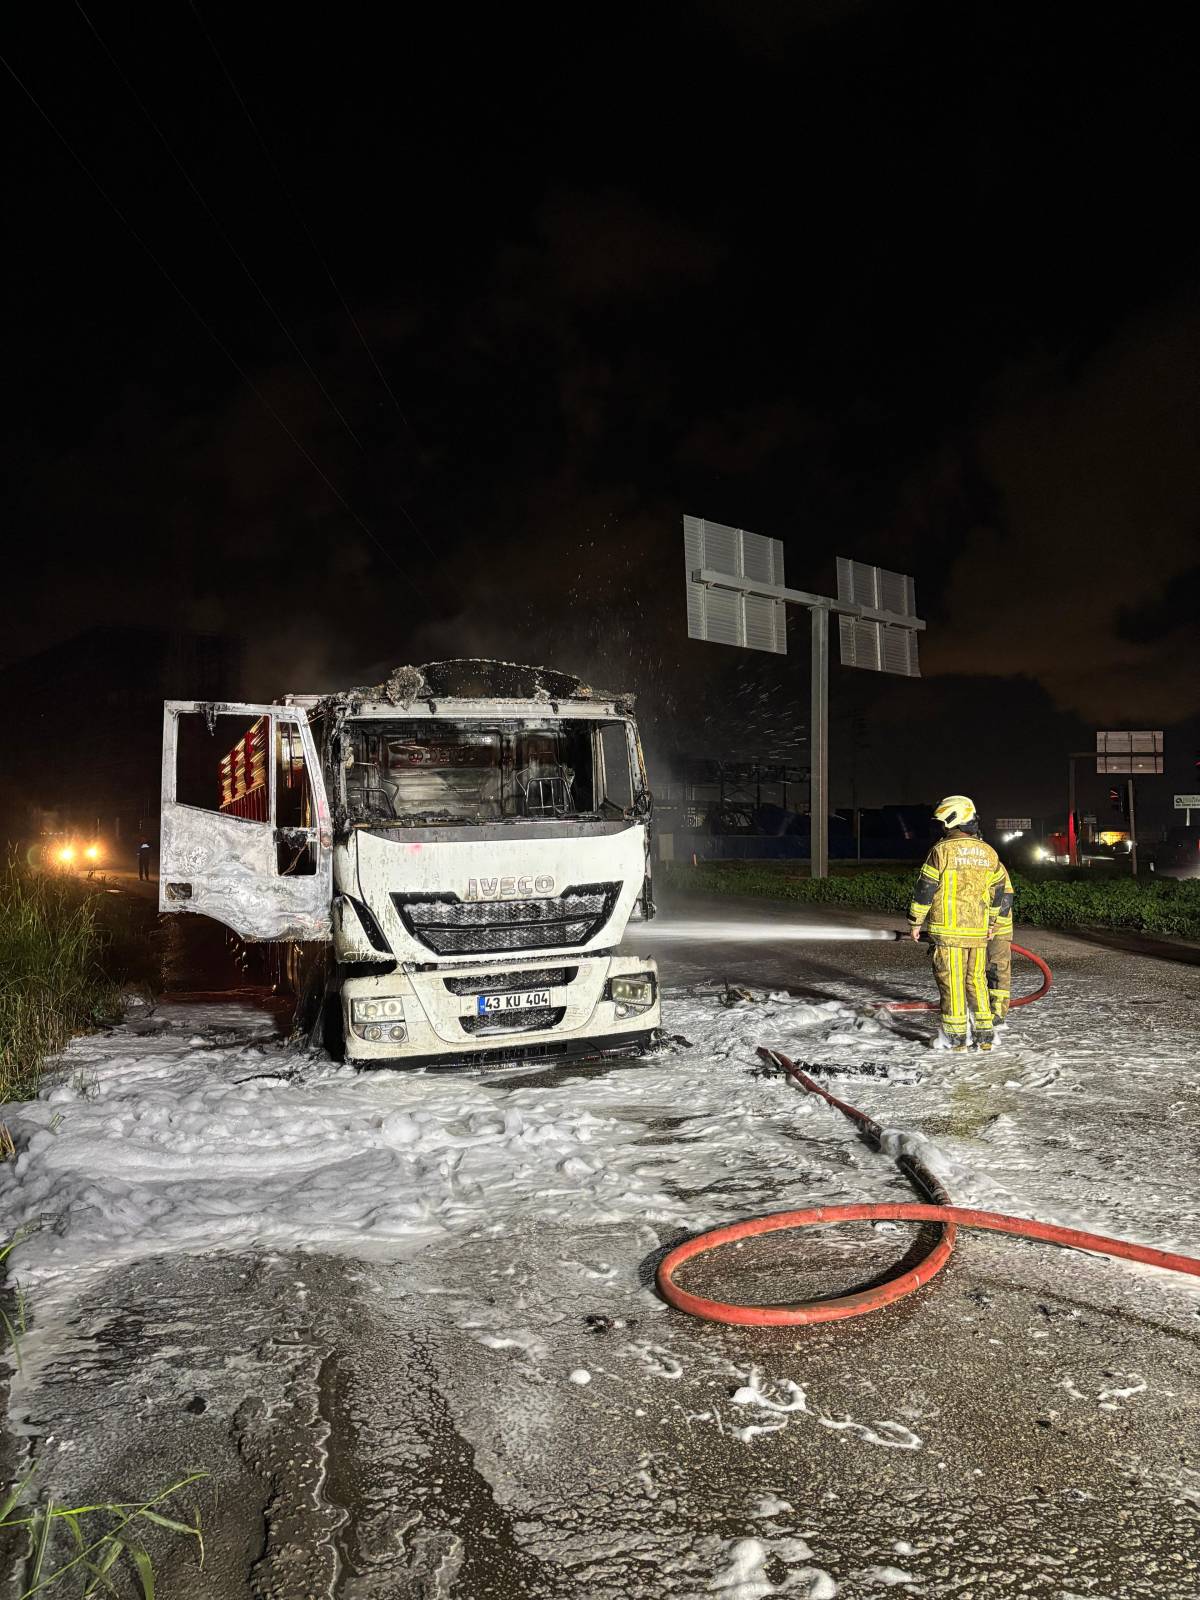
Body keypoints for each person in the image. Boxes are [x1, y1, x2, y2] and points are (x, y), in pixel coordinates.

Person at [907, 795, 1001, 1052]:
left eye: (944, 823)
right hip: (979, 933)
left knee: (952, 984)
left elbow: (925, 889)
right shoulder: (988, 852)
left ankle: (956, 1039)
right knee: (977, 982)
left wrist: (916, 922)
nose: (942, 828)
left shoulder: (941, 851)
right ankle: (985, 1039)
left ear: (953, 820)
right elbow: (998, 892)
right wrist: (991, 923)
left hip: (948, 934)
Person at [987, 859, 1015, 1025]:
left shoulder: (992, 862)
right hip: (975, 930)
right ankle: (979, 1008)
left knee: (997, 970)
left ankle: (997, 1013)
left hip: (998, 928)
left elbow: (1006, 896)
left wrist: (994, 927)